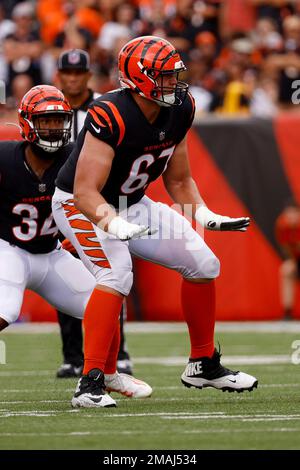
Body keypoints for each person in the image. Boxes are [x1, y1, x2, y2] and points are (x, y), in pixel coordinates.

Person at [52, 35, 258, 409]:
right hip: (80, 204)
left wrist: (205, 215)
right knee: (117, 273)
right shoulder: (109, 113)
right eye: (163, 77)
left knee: (204, 264)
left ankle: (202, 364)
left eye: (173, 75)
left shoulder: (181, 107)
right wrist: (113, 225)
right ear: (139, 78)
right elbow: (84, 192)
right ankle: (90, 380)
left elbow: (178, 179)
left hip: (133, 203)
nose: (173, 84)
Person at [0, 84, 152, 405]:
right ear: (27, 122)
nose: (54, 128)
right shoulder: (6, 158)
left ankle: (105, 373)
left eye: (59, 120)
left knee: (103, 298)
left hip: (51, 254)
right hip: (9, 249)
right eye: (46, 120)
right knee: (6, 309)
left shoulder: (77, 157)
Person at [55, 48, 133, 378]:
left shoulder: (107, 106)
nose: (73, 79)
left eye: (78, 73)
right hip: (61, 198)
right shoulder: (50, 109)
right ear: (60, 75)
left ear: (88, 74)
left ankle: (118, 354)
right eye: (67, 73)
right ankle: (73, 355)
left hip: (101, 198)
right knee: (66, 277)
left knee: (112, 274)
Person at [275, 200, 300, 320]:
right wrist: (293, 262)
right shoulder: (282, 225)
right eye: (288, 214)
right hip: (296, 260)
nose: (291, 217)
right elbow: (285, 248)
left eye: (293, 213)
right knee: (286, 270)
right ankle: (287, 312)